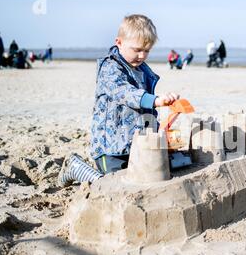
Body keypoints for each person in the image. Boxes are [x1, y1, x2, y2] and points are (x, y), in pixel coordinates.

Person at [58, 14, 180, 187]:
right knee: (112, 184)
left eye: (147, 50)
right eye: (137, 49)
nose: (142, 55)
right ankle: (76, 167)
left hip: (136, 144)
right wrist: (155, 100)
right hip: (111, 147)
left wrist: (157, 122)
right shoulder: (110, 67)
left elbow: (146, 109)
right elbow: (125, 93)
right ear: (119, 42)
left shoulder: (142, 69)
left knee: (140, 178)